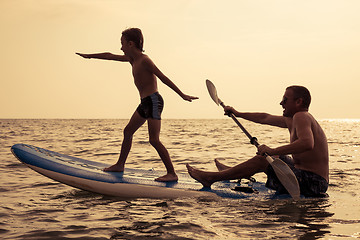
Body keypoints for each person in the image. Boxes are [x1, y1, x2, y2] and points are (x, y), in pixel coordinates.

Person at [76, 28, 198, 182]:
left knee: (154, 140)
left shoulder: (145, 60)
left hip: (154, 101)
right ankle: (120, 165)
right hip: (144, 103)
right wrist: (89, 56)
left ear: (131, 43)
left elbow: (163, 77)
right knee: (128, 132)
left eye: (122, 43)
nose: (121, 47)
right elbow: (110, 56)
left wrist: (182, 95)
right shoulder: (131, 59)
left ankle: (172, 173)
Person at [187, 86, 329, 197]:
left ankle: (210, 178)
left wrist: (272, 151)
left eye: (285, 100)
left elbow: (307, 143)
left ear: (299, 102)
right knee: (274, 158)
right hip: (307, 177)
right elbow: (264, 118)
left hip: (314, 183)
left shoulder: (301, 116)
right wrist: (238, 113)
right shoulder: (293, 119)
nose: (281, 103)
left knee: (265, 159)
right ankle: (230, 172)